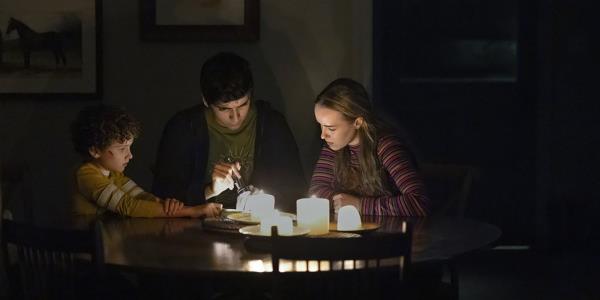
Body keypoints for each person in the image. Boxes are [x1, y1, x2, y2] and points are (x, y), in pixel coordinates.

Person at [152, 52, 306, 212]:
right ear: (206, 100)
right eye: (224, 109)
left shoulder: (271, 124)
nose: (235, 117)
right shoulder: (185, 128)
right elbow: (163, 195)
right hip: (197, 227)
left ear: (251, 95)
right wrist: (210, 190)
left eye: (242, 105)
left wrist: (264, 200)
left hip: (260, 226)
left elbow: (295, 189)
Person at [70, 105, 222, 218]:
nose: (130, 156)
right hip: (92, 255)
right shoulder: (86, 174)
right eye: (122, 149)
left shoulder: (114, 175)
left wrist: (168, 205)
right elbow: (128, 206)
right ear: (95, 151)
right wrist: (192, 211)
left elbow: (141, 196)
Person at [309, 78, 429, 216]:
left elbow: (419, 202)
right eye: (320, 125)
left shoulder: (385, 147)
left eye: (331, 128)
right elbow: (316, 191)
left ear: (358, 122)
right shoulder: (333, 146)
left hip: (389, 234)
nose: (323, 135)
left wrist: (360, 204)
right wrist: (344, 201)